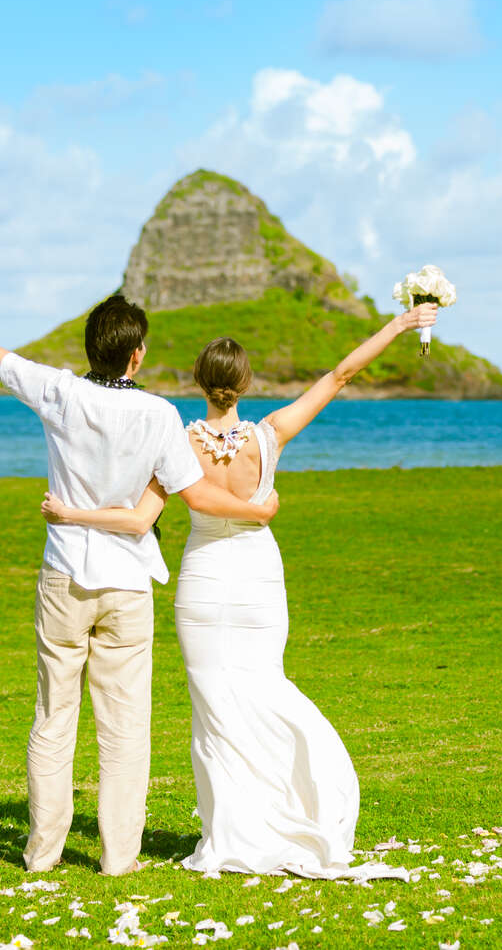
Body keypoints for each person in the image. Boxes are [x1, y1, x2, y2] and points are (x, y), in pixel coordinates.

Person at [40, 300, 438, 878]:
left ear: (200, 383)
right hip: (256, 581)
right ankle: (287, 805)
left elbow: (138, 512)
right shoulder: (270, 434)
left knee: (214, 711)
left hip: (201, 583)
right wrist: (400, 325)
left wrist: (73, 511)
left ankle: (228, 831)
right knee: (261, 687)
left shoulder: (176, 439)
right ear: (244, 384)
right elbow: (341, 375)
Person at [0, 295, 278, 876]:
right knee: (124, 725)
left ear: (91, 349)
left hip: (65, 574)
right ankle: (119, 858)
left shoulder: (59, 391)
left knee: (54, 716)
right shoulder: (158, 415)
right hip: (128, 581)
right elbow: (191, 492)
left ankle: (42, 854)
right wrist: (261, 509)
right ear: (137, 353)